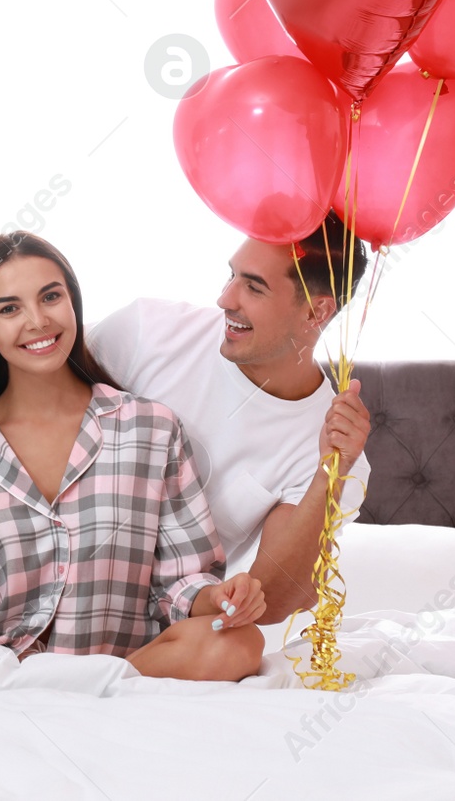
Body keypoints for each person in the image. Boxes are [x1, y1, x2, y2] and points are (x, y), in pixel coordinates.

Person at [0, 232, 266, 699]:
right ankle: (44, 698)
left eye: (51, 297)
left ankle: (70, 697)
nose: (38, 321)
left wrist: (221, 598)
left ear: (73, 303)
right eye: (9, 308)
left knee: (241, 639)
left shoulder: (152, 429)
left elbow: (183, 580)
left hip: (126, 664)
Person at [88, 211, 374, 626]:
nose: (225, 298)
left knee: (239, 644)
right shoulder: (148, 331)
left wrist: (330, 471)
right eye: (232, 275)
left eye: (253, 287)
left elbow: (274, 601)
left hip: (167, 619)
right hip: (58, 565)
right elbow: (24, 381)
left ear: (316, 313)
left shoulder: (333, 449)